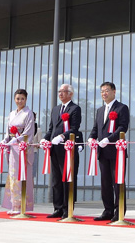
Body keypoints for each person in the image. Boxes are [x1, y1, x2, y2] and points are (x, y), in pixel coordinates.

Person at [88, 82, 130, 222]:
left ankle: (119, 211)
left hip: (117, 151)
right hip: (102, 151)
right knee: (105, 182)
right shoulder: (100, 110)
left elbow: (123, 127)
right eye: (102, 91)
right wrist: (91, 138)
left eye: (106, 90)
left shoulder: (121, 108)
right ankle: (108, 210)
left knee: (117, 182)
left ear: (114, 91)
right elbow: (96, 128)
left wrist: (109, 139)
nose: (104, 93)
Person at [42, 84, 82, 219]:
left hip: (67, 150)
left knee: (68, 179)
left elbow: (75, 128)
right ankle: (57, 207)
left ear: (70, 94)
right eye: (59, 91)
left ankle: (67, 208)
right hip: (55, 149)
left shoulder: (75, 109)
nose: (60, 94)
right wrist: (45, 139)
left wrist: (62, 136)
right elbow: (51, 129)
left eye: (63, 92)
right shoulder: (55, 109)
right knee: (56, 180)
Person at [0, 89, 35, 214]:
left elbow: (28, 133)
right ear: (14, 99)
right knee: (13, 176)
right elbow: (7, 131)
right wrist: (5, 140)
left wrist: (16, 139)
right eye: (17, 98)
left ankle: (22, 206)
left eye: (22, 99)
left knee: (22, 176)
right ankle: (14, 204)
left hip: (21, 148)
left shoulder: (28, 113)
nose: (20, 101)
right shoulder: (11, 114)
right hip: (12, 148)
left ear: (26, 100)